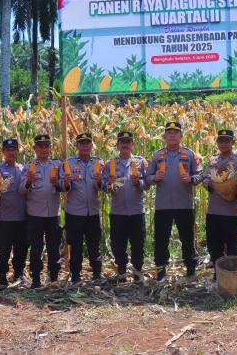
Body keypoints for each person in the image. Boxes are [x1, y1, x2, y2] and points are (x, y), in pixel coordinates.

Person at [146, 121, 203, 281]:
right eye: (169, 132)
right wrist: (154, 178)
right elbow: (147, 177)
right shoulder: (157, 156)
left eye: (175, 132)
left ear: (181, 136)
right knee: (161, 239)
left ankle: (191, 269)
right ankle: (161, 271)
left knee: (187, 238)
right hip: (163, 206)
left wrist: (191, 178)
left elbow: (200, 174)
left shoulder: (190, 154)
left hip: (184, 204)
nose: (172, 135)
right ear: (164, 136)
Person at [103, 131, 148, 282]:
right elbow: (103, 186)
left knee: (138, 243)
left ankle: (137, 272)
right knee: (118, 244)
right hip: (118, 211)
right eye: (122, 142)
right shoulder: (110, 164)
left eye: (128, 142)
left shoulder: (141, 163)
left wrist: (139, 183)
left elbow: (148, 183)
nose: (125, 144)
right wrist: (109, 184)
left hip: (136, 210)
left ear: (132, 145)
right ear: (118, 145)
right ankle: (121, 271)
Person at [20, 134, 63, 288]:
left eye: (47, 146)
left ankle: (54, 278)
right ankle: (36, 279)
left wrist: (58, 183)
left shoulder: (58, 164)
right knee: (36, 248)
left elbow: (65, 187)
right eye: (41, 146)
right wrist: (29, 181)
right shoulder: (28, 166)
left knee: (54, 247)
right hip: (35, 214)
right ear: (35, 148)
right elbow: (21, 190)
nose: (44, 149)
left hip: (53, 214)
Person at [61, 133, 104, 284]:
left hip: (92, 211)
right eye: (82, 143)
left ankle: (97, 274)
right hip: (75, 213)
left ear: (92, 145)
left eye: (88, 143)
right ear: (77, 145)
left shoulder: (99, 162)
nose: (85, 145)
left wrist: (101, 182)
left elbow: (105, 186)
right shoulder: (69, 163)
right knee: (76, 246)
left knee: (94, 245)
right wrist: (66, 182)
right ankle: (75, 276)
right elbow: (61, 186)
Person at [201, 129, 237, 279]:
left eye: (227, 140)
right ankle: (218, 274)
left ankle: (231, 274)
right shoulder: (212, 161)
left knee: (232, 245)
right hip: (213, 211)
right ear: (217, 143)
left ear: (233, 142)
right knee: (214, 245)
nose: (224, 143)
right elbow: (205, 178)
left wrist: (234, 190)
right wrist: (212, 184)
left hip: (231, 211)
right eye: (221, 141)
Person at [0, 138, 27, 287]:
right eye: (8, 150)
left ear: (18, 151)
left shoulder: (23, 168)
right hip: (5, 218)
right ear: (3, 152)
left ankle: (19, 274)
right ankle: (1, 277)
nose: (11, 152)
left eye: (14, 150)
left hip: (22, 217)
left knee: (21, 249)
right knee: (4, 250)